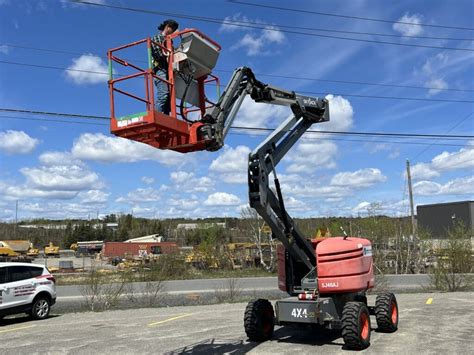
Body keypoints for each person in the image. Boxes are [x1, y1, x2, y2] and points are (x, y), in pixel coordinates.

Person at [151, 19, 179, 115]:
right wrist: (170, 54)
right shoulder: (158, 38)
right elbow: (159, 54)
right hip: (160, 69)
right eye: (173, 29)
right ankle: (157, 116)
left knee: (169, 100)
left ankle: (166, 118)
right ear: (167, 27)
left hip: (168, 70)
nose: (173, 32)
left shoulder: (169, 42)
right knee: (163, 95)